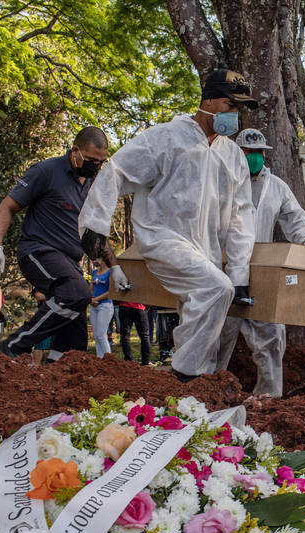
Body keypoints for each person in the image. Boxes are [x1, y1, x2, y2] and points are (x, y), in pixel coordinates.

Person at [78, 69, 257, 381]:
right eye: (231, 105)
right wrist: (94, 225)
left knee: (206, 310)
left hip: (208, 250)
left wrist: (240, 271)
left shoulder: (233, 157)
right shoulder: (164, 139)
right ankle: (183, 376)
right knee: (216, 288)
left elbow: (242, 216)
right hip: (163, 238)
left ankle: (191, 398)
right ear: (209, 101)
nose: (235, 114)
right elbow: (117, 171)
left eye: (239, 108)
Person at [0, 126, 121, 362]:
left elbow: (95, 233)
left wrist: (115, 266)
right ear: (75, 151)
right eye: (90, 160)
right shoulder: (46, 171)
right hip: (38, 251)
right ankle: (15, 344)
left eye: (101, 162)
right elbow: (7, 207)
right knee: (77, 292)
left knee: (75, 340)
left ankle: (54, 373)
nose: (96, 167)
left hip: (69, 261)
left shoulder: (91, 184)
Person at [215, 128, 305, 396]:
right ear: (237, 153)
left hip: (261, 272)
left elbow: (295, 218)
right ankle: (207, 394)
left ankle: (269, 398)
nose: (255, 157)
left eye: (259, 152)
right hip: (222, 270)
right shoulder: (220, 183)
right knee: (217, 336)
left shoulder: (276, 187)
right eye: (248, 152)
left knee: (271, 336)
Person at [90, 258, 114, 358]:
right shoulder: (94, 272)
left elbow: (111, 291)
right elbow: (91, 288)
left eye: (98, 257)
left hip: (105, 305)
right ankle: (100, 358)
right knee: (96, 335)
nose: (96, 260)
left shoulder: (110, 272)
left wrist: (97, 299)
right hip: (94, 305)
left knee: (101, 334)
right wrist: (91, 299)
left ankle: (108, 359)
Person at [118, 301, 151, 365]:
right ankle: (146, 361)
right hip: (138, 307)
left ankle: (129, 360)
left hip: (125, 306)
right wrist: (147, 306)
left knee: (125, 335)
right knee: (145, 335)